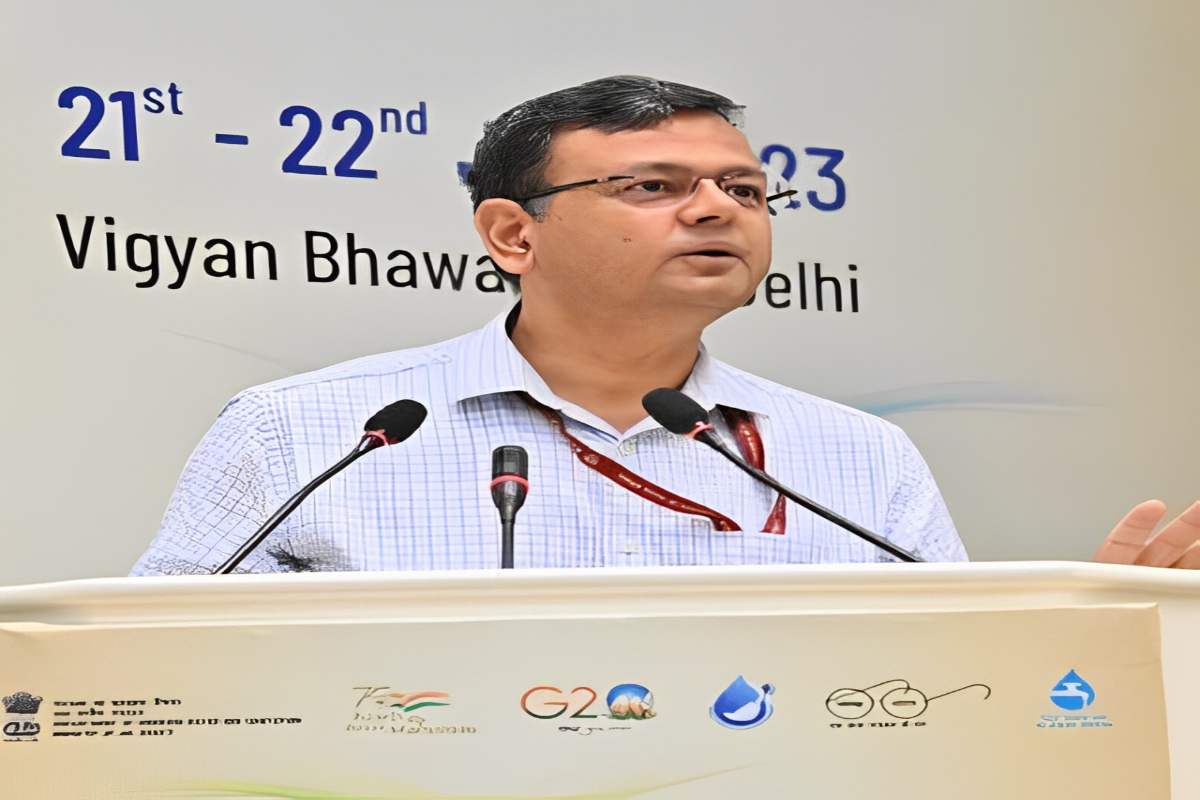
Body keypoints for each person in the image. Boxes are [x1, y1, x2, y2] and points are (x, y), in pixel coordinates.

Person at [130, 76, 1199, 575]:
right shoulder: (308, 431)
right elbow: (161, 685)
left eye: (744, 189)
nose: (716, 209)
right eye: (653, 185)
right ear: (513, 233)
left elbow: (942, 690)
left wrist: (1083, 634)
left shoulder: (857, 457)